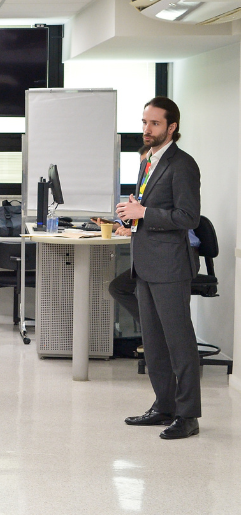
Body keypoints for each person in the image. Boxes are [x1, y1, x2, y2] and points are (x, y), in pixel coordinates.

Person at [117, 97, 203, 440]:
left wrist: (144, 214)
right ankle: (163, 406)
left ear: (172, 127)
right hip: (146, 263)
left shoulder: (182, 165)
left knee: (180, 344)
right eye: (144, 122)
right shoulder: (148, 160)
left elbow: (188, 217)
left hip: (170, 267)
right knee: (153, 344)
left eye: (154, 124)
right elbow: (148, 207)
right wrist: (133, 219)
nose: (146, 129)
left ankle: (188, 415)